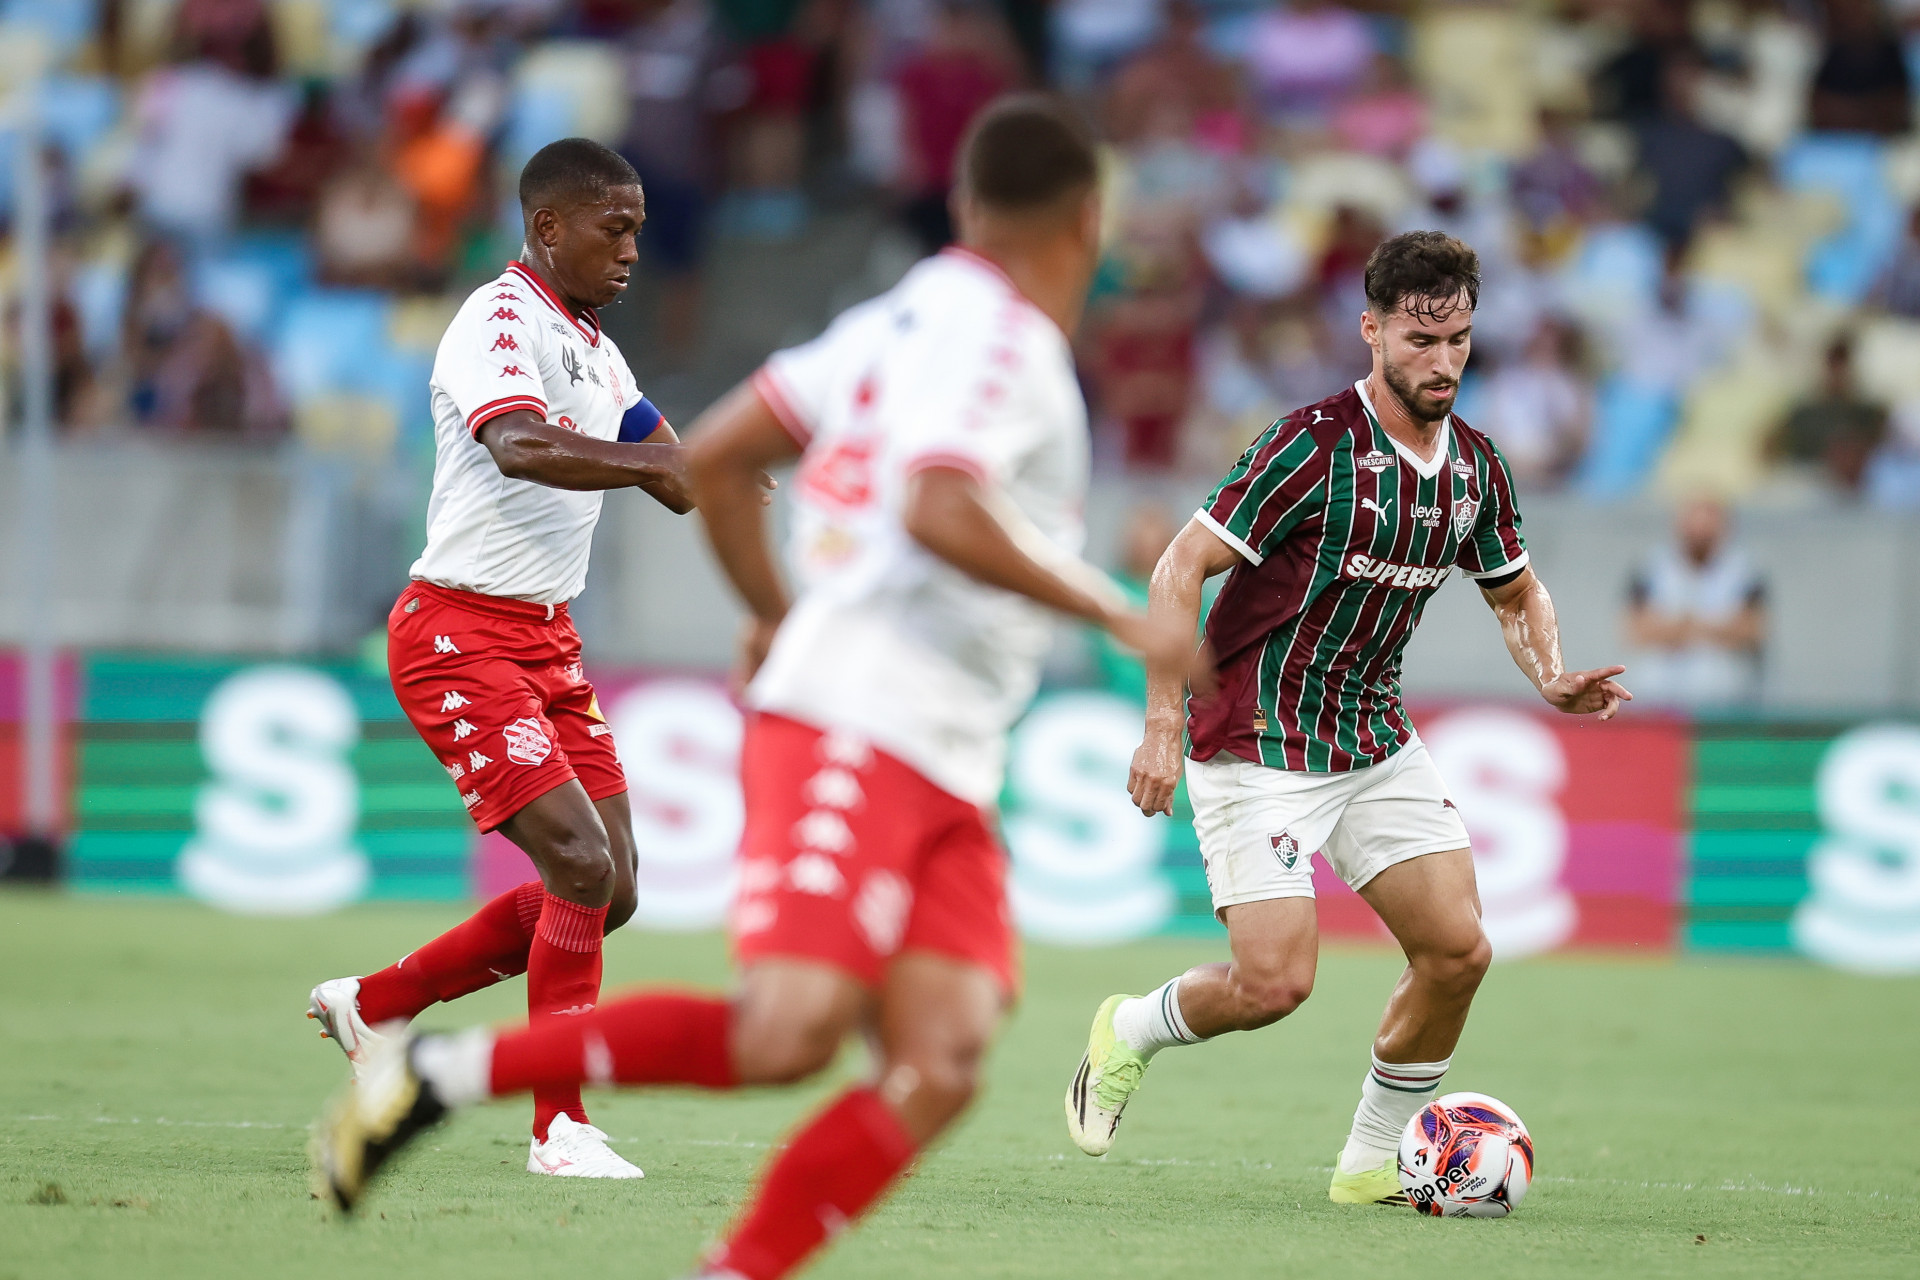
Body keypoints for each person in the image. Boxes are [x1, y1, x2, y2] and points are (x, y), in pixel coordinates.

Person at [311, 96, 1188, 1279]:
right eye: (613, 232)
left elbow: (710, 460)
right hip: (787, 698)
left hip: (919, 738)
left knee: (938, 1048)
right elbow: (896, 496)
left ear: (968, 205)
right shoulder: (1003, 343)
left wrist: (771, 605)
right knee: (770, 1017)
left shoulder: (879, 319)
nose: (631, 251)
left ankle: (399, 1013)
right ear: (1089, 218)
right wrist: (1125, 611)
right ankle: (491, 1090)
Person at [1064, 231, 1631, 1205]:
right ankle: (1131, 1028)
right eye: (1420, 339)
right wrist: (1162, 721)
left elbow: (1514, 589)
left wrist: (1550, 672)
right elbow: (1176, 566)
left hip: (1372, 739)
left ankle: (1369, 1159)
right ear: (1371, 330)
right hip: (1258, 738)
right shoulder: (1312, 444)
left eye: (1457, 339)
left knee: (1459, 950)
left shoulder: (1475, 470)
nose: (1443, 361)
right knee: (1274, 984)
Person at [304, 137, 725, 1181]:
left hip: (545, 635)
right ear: (548, 228)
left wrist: (736, 461)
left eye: (638, 229)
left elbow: (675, 470)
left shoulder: (598, 348)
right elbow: (521, 444)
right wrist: (660, 460)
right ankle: (557, 1123)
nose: (632, 249)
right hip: (458, 630)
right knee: (578, 863)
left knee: (612, 883)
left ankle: (380, 1003)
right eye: (613, 228)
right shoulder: (497, 319)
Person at [1624, 497, 1766, 709]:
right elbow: (1637, 631)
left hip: (1723, 682)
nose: (1699, 535)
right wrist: (1714, 628)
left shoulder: (1744, 571)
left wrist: (1684, 627)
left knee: (1723, 676)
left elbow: (1751, 631)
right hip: (1662, 681)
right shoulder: (1652, 568)